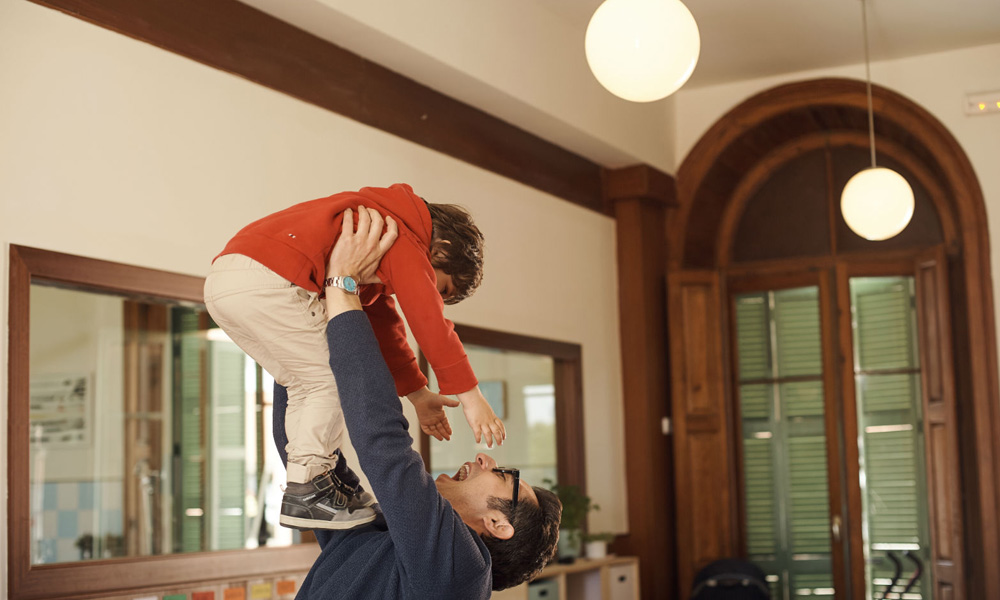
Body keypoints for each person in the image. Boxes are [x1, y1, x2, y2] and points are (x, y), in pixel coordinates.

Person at [272, 212, 562, 596]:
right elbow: (298, 445)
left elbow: (384, 447)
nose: (486, 459)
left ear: (497, 523)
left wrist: (341, 284)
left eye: (504, 476)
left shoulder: (462, 575)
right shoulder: (376, 538)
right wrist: (294, 340)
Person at [204, 185, 506, 530]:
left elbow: (385, 323)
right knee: (333, 379)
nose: (428, 291)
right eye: (441, 288)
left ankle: (309, 482)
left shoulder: (378, 235)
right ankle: (307, 490)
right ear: (440, 251)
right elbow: (428, 320)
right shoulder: (400, 235)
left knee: (307, 384)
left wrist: (417, 393)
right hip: (270, 280)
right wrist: (471, 395)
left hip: (225, 283)